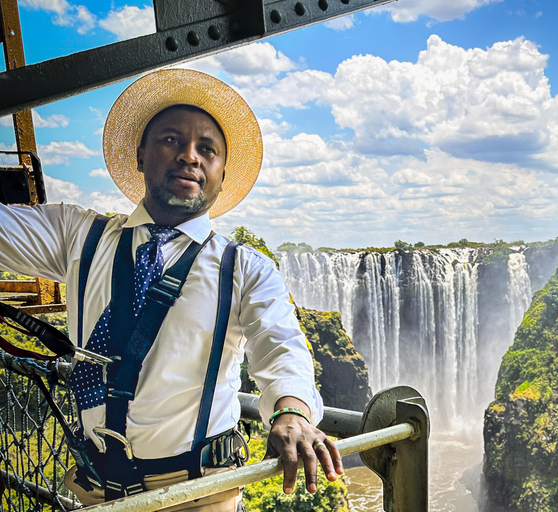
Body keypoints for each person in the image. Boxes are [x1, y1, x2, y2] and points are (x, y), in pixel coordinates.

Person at [0, 69, 342, 511]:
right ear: (140, 155)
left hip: (199, 493)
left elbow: (280, 348)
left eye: (207, 150)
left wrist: (292, 410)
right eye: (171, 141)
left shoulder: (244, 269)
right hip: (98, 492)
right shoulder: (78, 237)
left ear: (221, 173)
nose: (190, 157)